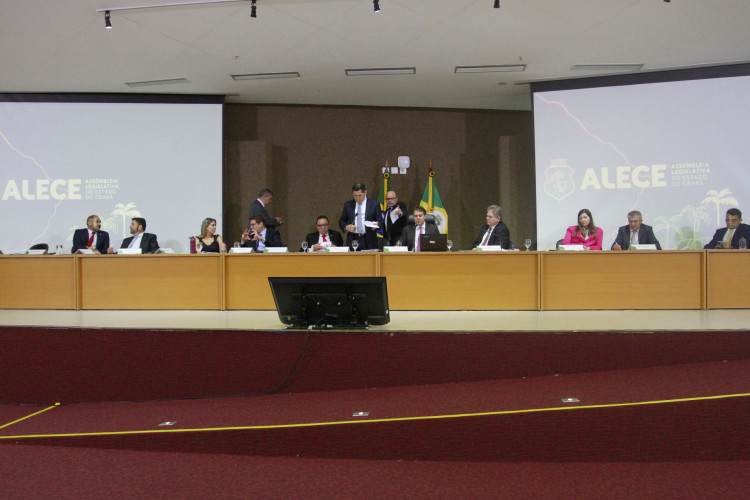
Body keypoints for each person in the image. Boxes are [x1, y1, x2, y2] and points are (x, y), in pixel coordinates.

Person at [339, 183, 384, 251]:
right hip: (353, 239)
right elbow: (342, 221)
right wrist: (346, 227)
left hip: (368, 239)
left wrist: (376, 225)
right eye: (355, 195)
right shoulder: (348, 205)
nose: (357, 198)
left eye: (359, 195)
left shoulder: (374, 204)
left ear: (365, 192)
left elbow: (380, 221)